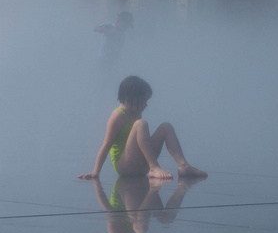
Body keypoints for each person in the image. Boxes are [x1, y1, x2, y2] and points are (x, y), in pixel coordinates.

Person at [78, 75, 207, 182]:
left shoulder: (136, 112)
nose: (146, 104)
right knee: (141, 124)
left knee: (165, 127)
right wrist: (96, 171)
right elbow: (106, 145)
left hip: (140, 164)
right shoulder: (118, 116)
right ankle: (154, 167)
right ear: (129, 98)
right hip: (125, 166)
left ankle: (183, 166)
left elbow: (142, 141)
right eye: (143, 100)